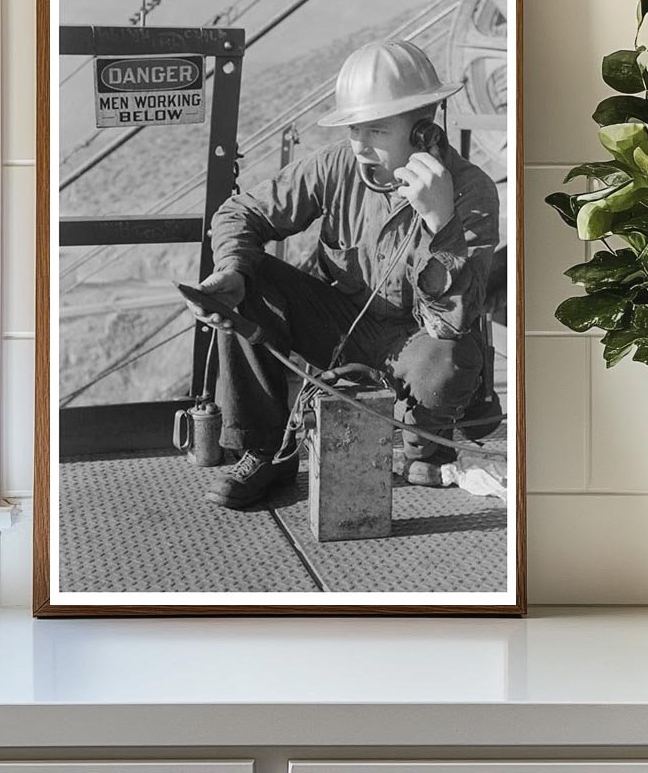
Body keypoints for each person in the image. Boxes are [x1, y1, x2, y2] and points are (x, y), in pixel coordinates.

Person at [186, 38, 501, 509]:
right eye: (355, 129)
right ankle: (268, 451)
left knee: (449, 356)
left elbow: (452, 322)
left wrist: (441, 224)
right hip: (341, 326)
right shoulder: (338, 166)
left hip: (419, 343)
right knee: (249, 285)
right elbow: (239, 212)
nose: (360, 146)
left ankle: (422, 445)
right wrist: (231, 270)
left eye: (375, 131)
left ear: (422, 128)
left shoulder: (470, 191)